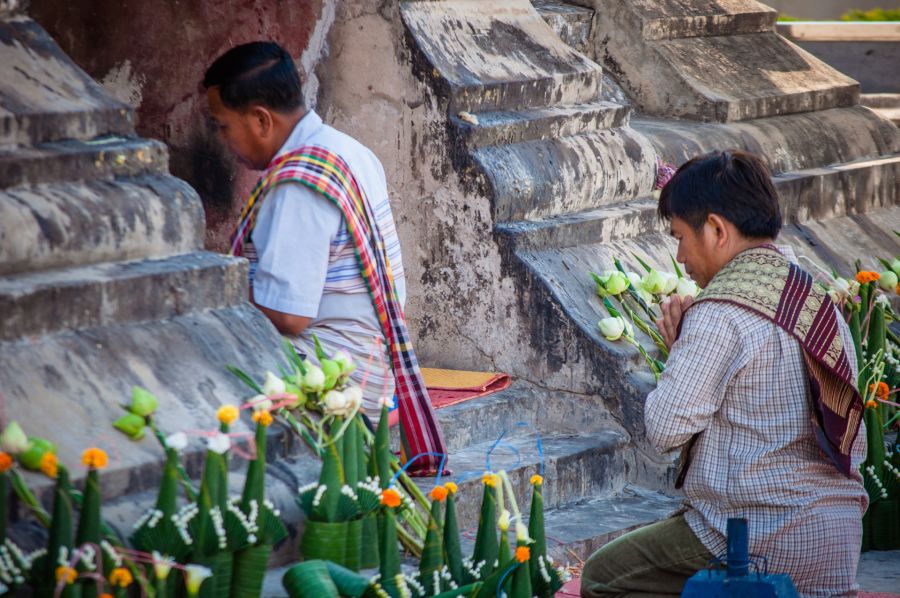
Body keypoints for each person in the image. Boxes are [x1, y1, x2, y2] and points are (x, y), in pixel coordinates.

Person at [581, 150, 867, 597]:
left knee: (603, 577)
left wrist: (677, 353)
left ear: (716, 229)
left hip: (754, 533)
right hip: (837, 534)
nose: (679, 256)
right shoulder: (812, 295)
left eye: (679, 237)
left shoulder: (719, 313)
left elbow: (663, 430)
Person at [203, 41, 445, 474]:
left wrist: (213, 290)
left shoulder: (297, 185)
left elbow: (288, 315)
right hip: (373, 366)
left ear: (260, 119)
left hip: (337, 380)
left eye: (223, 126)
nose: (223, 140)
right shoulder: (348, 149)